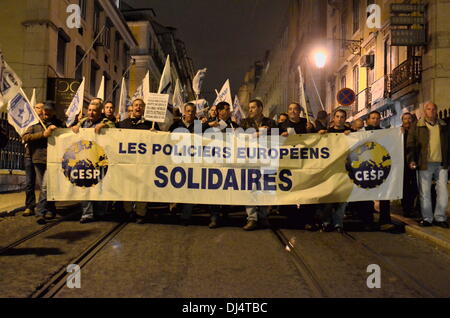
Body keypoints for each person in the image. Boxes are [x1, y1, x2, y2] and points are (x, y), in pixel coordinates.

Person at [72, 99, 116, 223]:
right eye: (89, 110)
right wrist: (75, 127)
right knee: (85, 187)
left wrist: (104, 126)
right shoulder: (83, 122)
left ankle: (100, 212)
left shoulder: (106, 121)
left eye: (94, 111)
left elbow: (114, 128)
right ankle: (87, 213)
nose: (91, 113)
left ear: (99, 112)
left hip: (100, 161)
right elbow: (73, 129)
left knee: (100, 186)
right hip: (85, 160)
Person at [407, 102, 449, 228]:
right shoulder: (417, 126)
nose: (431, 111)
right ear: (425, 112)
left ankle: (440, 217)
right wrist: (411, 160)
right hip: (424, 163)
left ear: (436, 111)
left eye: (433, 109)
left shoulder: (444, 125)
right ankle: (427, 218)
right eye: (428, 109)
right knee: (424, 192)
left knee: (443, 191)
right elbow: (410, 144)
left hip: (441, 163)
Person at [118, 98, 160, 224]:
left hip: (143, 163)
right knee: (127, 188)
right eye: (136, 105)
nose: (138, 108)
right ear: (132, 107)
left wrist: (156, 134)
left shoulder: (150, 124)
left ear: (144, 109)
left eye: (141, 106)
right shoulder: (123, 124)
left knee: (142, 188)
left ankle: (141, 213)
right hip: (127, 162)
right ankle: (128, 211)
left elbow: (159, 143)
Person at [240, 99, 277, 231]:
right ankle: (251, 218)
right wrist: (256, 134)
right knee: (251, 189)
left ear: (260, 109)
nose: (250, 110)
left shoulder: (271, 123)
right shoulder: (245, 123)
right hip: (250, 160)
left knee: (265, 188)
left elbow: (278, 138)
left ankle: (263, 216)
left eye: (253, 107)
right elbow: (240, 138)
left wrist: (269, 132)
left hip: (267, 160)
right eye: (249, 107)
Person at [22, 102, 62, 223]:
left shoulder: (59, 124)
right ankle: (46, 209)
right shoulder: (35, 125)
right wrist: (43, 134)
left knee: (47, 186)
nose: (46, 114)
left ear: (53, 112)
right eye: (45, 111)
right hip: (39, 159)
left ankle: (44, 210)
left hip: (54, 160)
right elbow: (25, 137)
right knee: (44, 186)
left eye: (49, 112)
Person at [317, 109, 354, 232]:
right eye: (337, 116)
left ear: (345, 119)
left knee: (342, 198)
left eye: (342, 117)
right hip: (330, 170)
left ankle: (338, 222)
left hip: (345, 170)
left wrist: (353, 135)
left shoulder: (351, 133)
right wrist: (320, 135)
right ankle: (326, 221)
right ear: (334, 118)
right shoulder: (328, 132)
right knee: (329, 197)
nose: (339, 119)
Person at [363, 111, 395, 231]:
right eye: (373, 118)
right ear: (368, 120)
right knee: (366, 195)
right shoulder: (361, 133)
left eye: (377, 118)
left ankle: (385, 221)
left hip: (381, 167)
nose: (375, 120)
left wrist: (400, 134)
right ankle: (367, 221)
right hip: (365, 167)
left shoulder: (384, 133)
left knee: (384, 195)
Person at [21, 102, 45, 216]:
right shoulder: (31, 123)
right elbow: (25, 137)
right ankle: (29, 206)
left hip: (40, 157)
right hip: (29, 156)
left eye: (42, 108)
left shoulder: (46, 123)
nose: (39, 110)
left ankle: (41, 207)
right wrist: (42, 135)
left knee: (42, 184)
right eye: (37, 108)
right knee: (29, 183)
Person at [401, 112, 419, 218]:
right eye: (405, 118)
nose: (408, 120)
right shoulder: (400, 131)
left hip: (415, 162)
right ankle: (406, 208)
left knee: (414, 187)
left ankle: (412, 207)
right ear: (402, 121)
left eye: (409, 118)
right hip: (403, 163)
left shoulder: (417, 131)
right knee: (405, 186)